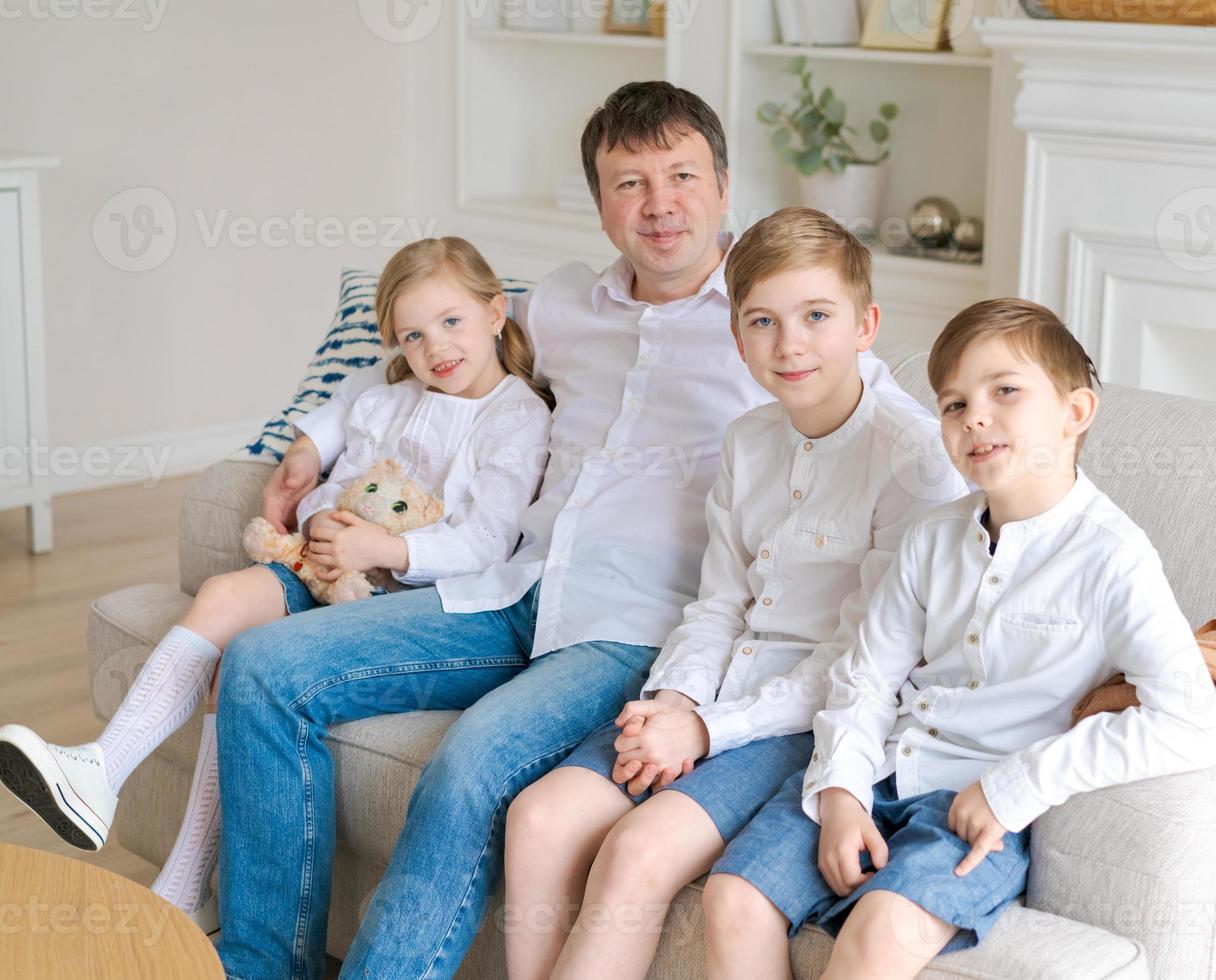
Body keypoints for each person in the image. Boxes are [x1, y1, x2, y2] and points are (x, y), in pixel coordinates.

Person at [212, 83, 923, 980]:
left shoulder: (772, 321)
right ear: (599, 205)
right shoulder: (554, 304)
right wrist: (312, 443)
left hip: (635, 630)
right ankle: (260, 969)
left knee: (469, 767)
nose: (658, 204)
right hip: (504, 587)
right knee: (262, 668)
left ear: (724, 184)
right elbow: (432, 343)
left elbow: (901, 426)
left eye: (681, 175)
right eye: (629, 183)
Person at [0, 236, 551, 937]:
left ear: (496, 311)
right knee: (225, 598)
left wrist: (382, 545)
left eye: (451, 322)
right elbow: (334, 484)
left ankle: (183, 887)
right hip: (331, 572)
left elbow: (485, 541)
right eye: (412, 336)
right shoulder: (390, 403)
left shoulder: (516, 417)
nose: (434, 348)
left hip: (407, 602)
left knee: (244, 667)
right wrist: (325, 526)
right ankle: (100, 770)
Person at [702, 298, 1216, 980]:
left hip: (974, 805)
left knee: (879, 932)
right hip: (879, 772)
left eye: (1004, 391)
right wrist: (840, 793)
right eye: (953, 404)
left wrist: (1019, 785)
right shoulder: (932, 538)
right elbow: (865, 677)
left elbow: (1192, 724)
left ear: (1075, 413)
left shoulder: (1113, 559)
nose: (974, 416)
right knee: (732, 898)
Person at [501, 207, 967, 980]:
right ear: (737, 334)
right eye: (762, 321)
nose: (790, 344)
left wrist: (709, 732)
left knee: (637, 852)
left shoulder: (913, 459)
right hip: (715, 690)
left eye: (817, 315)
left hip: (807, 715)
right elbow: (717, 603)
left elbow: (863, 659)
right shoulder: (748, 440)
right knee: (540, 817)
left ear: (866, 323)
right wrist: (678, 701)